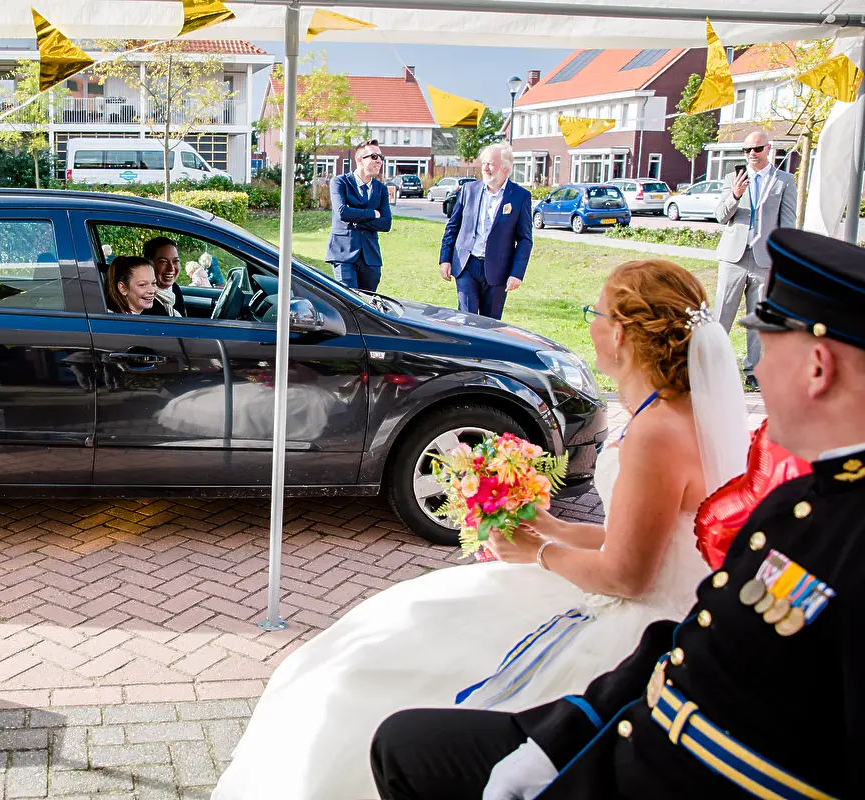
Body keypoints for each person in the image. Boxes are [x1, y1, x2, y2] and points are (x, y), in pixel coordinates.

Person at [211, 258, 749, 800]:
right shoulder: (672, 414)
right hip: (650, 592)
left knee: (383, 666)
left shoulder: (657, 433)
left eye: (597, 311)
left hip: (637, 620)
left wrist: (536, 554)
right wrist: (553, 527)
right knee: (396, 623)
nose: (589, 323)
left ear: (624, 333)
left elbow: (629, 575)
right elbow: (647, 542)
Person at [371, 227, 865, 800]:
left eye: (767, 351)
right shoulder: (799, 506)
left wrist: (542, 550)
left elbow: (636, 576)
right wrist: (552, 743)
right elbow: (689, 634)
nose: (754, 373)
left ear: (818, 367)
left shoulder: (829, 521)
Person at [714, 131, 797, 391]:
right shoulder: (733, 178)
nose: (752, 153)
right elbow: (720, 216)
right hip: (733, 258)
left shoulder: (784, 181)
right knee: (721, 315)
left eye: (757, 148)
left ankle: (754, 371)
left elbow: (787, 224)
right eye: (747, 149)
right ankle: (711, 367)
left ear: (768, 149)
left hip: (764, 260)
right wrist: (735, 196)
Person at [438, 143, 533, 320]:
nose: (485, 168)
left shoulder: (520, 196)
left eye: (491, 164)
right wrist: (445, 258)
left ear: (505, 167)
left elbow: (525, 239)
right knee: (467, 319)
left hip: (498, 270)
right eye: (484, 163)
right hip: (467, 265)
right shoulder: (469, 190)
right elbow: (453, 226)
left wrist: (516, 273)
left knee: (490, 324)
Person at [327, 139, 392, 292]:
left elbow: (386, 223)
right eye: (374, 157)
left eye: (381, 157)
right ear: (359, 160)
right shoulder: (339, 182)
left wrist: (355, 220)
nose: (379, 161)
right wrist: (372, 214)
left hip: (371, 257)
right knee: (349, 302)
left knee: (368, 304)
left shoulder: (381, 189)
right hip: (343, 254)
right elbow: (342, 212)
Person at [143, 236, 187, 317]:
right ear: (149, 264)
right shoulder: (143, 297)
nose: (171, 268)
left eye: (175, 261)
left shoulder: (175, 288)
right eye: (163, 262)